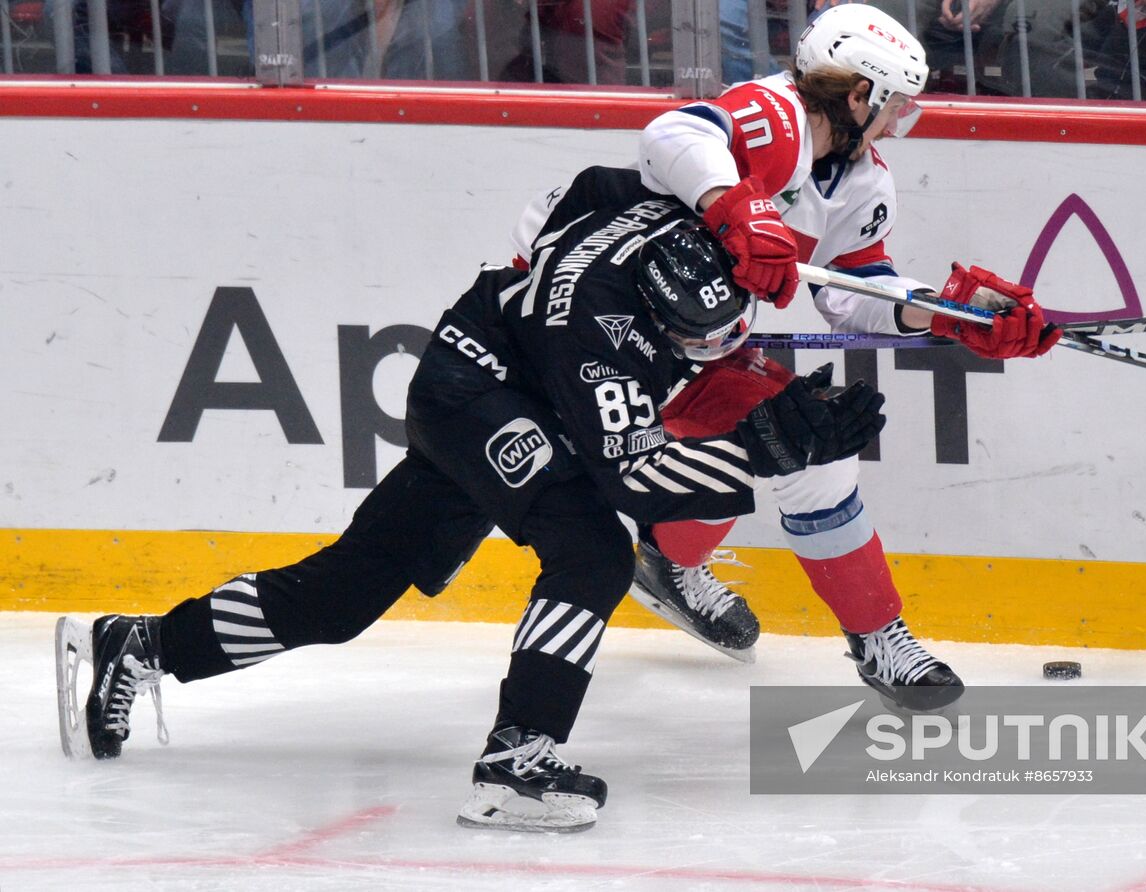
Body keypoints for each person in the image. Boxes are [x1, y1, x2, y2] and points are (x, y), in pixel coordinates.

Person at [55, 166, 886, 833]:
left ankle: (145, 644)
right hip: (479, 399)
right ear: (652, 315)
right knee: (594, 549)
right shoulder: (599, 343)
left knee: (343, 596)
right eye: (699, 341)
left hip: (509, 381)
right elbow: (636, 480)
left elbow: (599, 183)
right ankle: (517, 760)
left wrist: (958, 322)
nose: (717, 350)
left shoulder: (657, 207)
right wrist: (774, 454)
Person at [617, 4, 1060, 702]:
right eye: (894, 108)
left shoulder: (860, 180)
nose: (896, 126)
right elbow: (671, 133)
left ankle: (873, 635)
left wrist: (953, 314)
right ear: (859, 94)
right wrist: (738, 205)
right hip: (600, 338)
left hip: (697, 348)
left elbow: (854, 294)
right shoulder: (773, 115)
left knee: (809, 444)